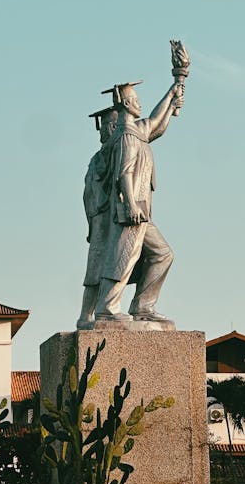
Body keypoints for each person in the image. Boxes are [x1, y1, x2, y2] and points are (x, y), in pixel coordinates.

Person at [94, 79, 184, 322]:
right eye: (134, 101)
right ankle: (107, 309)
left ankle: (143, 305)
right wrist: (130, 203)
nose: (139, 104)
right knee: (123, 257)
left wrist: (173, 91)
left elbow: (157, 124)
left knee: (162, 254)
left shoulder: (137, 131)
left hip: (142, 212)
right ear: (125, 103)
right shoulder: (125, 136)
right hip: (130, 210)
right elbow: (123, 172)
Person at [77, 106, 118, 329]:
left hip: (100, 219)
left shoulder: (105, 154)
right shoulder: (105, 154)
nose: (103, 132)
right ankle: (88, 314)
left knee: (99, 267)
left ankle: (88, 314)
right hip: (103, 218)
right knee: (97, 269)